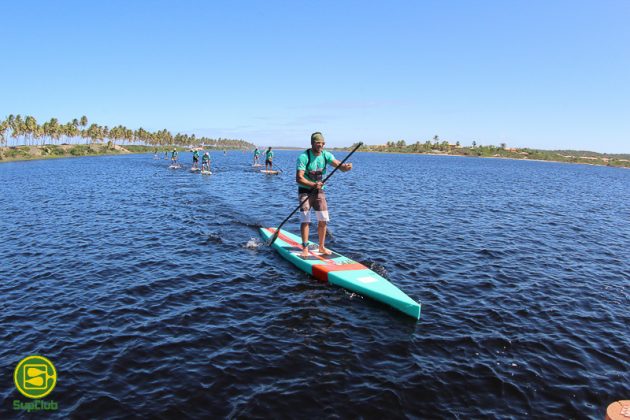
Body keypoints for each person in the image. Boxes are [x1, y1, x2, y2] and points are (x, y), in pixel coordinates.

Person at [296, 132, 352, 257]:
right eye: (318, 143)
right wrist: (313, 185)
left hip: (319, 191)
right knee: (305, 220)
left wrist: (346, 167)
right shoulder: (304, 157)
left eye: (322, 143)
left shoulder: (326, 155)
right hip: (305, 191)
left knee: (323, 219)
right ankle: (305, 249)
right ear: (312, 143)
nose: (320, 145)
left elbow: (340, 166)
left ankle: (321, 247)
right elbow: (299, 178)